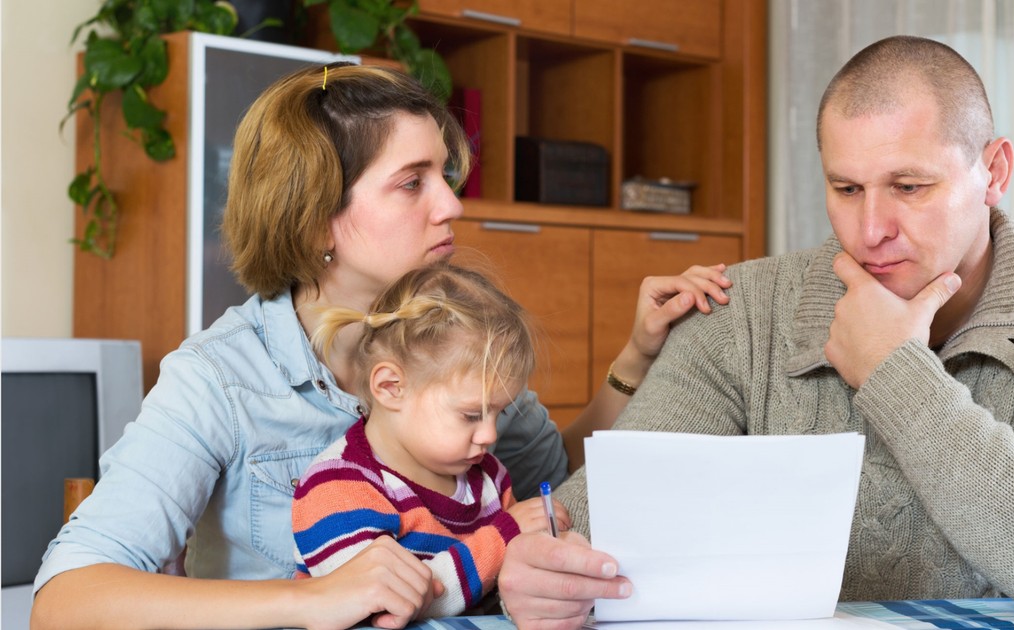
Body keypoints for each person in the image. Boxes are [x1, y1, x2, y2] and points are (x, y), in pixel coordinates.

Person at [497, 35, 1014, 628]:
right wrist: (544, 572)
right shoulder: (742, 310)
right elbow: (595, 524)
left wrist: (891, 370)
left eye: (909, 187)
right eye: (846, 189)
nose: (870, 229)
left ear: (993, 172)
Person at [31, 63, 731, 630]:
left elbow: (557, 477)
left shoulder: (456, 328)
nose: (452, 205)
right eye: (411, 183)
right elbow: (65, 600)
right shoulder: (220, 378)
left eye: (444, 177)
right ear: (315, 222)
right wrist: (307, 600)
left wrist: (636, 360)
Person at [293, 263, 570, 623]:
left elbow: (508, 582)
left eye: (498, 414)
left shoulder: (487, 477)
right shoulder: (337, 489)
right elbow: (388, 609)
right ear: (391, 387)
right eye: (472, 415)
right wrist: (507, 536)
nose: (490, 435)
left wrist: (540, 546)